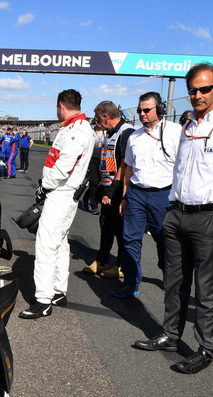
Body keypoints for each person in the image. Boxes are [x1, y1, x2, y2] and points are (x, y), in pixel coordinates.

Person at [133, 63, 213, 374]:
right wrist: (171, 208)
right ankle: (171, 334)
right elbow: (179, 171)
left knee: (206, 287)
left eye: (204, 89)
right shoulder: (187, 125)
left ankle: (206, 348)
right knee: (174, 282)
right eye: (193, 90)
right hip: (177, 214)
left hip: (210, 216)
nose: (197, 95)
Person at [19, 89, 94, 319]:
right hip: (63, 192)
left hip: (62, 191)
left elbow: (63, 167)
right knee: (60, 242)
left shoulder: (78, 131)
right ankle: (59, 291)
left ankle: (43, 299)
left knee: (45, 244)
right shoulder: (73, 127)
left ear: (61, 106)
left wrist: (45, 186)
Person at [112, 92, 181, 298]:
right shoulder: (134, 137)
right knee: (130, 239)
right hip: (136, 194)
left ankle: (169, 276)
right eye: (140, 110)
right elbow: (128, 169)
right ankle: (131, 282)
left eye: (146, 110)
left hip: (164, 195)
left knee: (164, 239)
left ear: (159, 110)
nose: (142, 113)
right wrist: (125, 196)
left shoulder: (176, 132)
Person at [82, 101, 134, 279]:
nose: (97, 122)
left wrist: (112, 191)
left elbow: (124, 164)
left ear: (105, 116)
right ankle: (102, 260)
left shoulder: (125, 132)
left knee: (120, 230)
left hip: (119, 190)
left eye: (97, 118)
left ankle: (121, 265)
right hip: (108, 188)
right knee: (105, 226)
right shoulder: (109, 133)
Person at [79, 122, 103, 214]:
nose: (99, 123)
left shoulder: (106, 132)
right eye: (98, 121)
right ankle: (94, 206)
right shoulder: (90, 132)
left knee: (96, 184)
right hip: (91, 160)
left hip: (102, 161)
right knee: (93, 183)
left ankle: (85, 199)